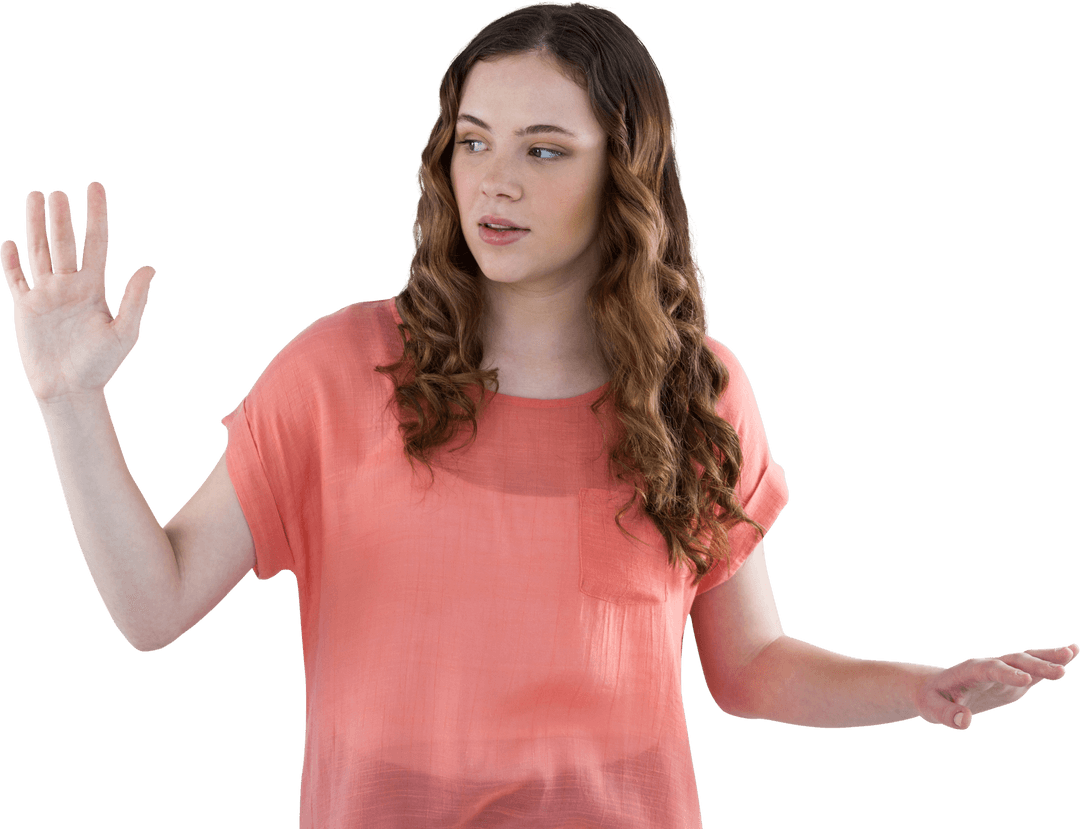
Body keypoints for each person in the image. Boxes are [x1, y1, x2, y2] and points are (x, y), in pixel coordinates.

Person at [3, 2, 1074, 827]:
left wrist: (922, 687)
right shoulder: (338, 370)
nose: (495, 181)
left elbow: (749, 668)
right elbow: (154, 605)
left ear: (627, 174)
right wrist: (70, 401)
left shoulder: (698, 393)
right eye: (474, 140)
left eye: (544, 148)